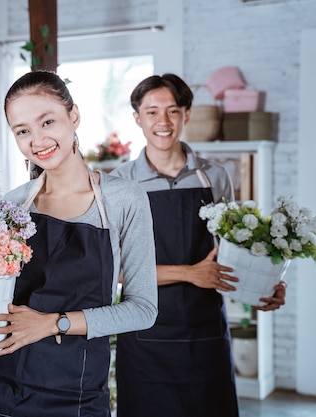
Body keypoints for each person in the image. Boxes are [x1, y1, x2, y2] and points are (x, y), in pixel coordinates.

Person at [0, 70, 158, 417]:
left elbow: (143, 310)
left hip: (72, 391)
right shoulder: (10, 205)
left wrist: (52, 322)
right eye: (22, 130)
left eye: (47, 122)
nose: (37, 139)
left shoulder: (123, 200)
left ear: (74, 116)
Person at [109, 73, 287, 417]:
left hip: (205, 334)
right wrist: (191, 274)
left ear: (187, 114)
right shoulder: (119, 184)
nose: (163, 122)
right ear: (137, 118)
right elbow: (115, 271)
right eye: (152, 112)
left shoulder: (214, 176)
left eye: (173, 111)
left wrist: (265, 286)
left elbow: (234, 251)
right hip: (145, 336)